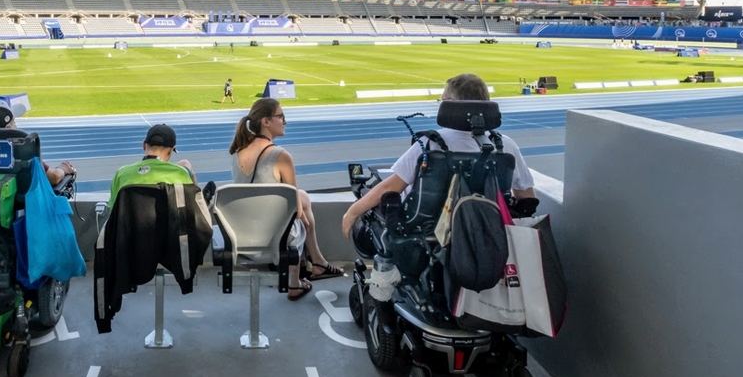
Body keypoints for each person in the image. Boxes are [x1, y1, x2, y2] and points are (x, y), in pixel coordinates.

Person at [341, 73, 536, 239]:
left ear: (451, 106)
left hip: (425, 228)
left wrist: (352, 212)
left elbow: (390, 187)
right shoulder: (505, 145)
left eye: (443, 100)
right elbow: (526, 196)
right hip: (484, 231)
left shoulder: (431, 144)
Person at [229, 98, 345, 300]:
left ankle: (317, 262)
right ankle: (296, 281)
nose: (285, 121)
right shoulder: (280, 155)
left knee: (303, 198)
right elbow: (296, 210)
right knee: (299, 218)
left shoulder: (237, 152)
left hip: (244, 234)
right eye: (281, 116)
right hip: (274, 239)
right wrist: (307, 224)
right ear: (266, 121)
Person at [0, 99, 75, 186]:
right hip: (23, 204)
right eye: (14, 121)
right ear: (8, 128)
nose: (16, 124)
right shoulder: (23, 148)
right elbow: (54, 178)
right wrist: (63, 168)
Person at [108, 124, 196, 204]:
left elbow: (113, 210)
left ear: (144, 145)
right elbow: (189, 208)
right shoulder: (180, 174)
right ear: (170, 150)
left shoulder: (121, 174)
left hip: (128, 222)